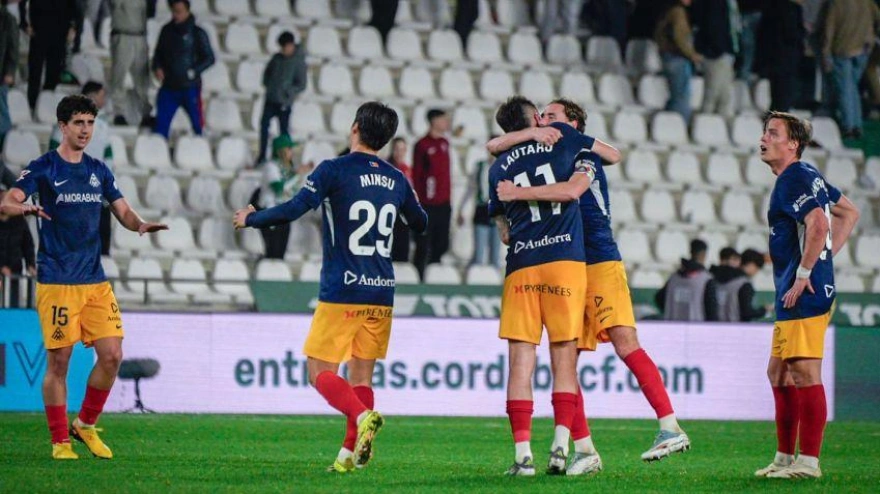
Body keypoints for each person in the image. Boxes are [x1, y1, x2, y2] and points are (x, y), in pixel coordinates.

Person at [491, 98, 689, 472]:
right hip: (570, 265)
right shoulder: (550, 158)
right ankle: (584, 450)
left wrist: (516, 194)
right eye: (542, 117)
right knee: (566, 360)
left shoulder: (584, 157)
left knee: (624, 340)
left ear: (575, 124)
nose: (546, 123)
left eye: (553, 116)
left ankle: (669, 425)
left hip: (599, 261)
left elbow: (577, 185)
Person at [233, 101, 428, 473]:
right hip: (382, 290)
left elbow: (294, 209)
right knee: (361, 375)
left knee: (318, 372)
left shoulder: (333, 170)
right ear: (386, 140)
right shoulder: (397, 178)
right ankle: (347, 457)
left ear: (355, 128)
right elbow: (419, 223)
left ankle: (362, 416)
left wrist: (252, 217)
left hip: (344, 287)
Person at [0, 94, 167, 459]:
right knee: (58, 363)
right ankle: (60, 440)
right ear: (63, 126)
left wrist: (139, 225)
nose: (85, 130)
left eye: (90, 123)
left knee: (113, 356)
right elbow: (5, 201)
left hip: (94, 281)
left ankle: (85, 425)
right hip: (57, 281)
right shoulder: (44, 167)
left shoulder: (98, 170)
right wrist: (23, 207)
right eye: (78, 123)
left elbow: (122, 210)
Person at [487, 96, 600, 476]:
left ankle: (523, 457)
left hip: (522, 265)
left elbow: (503, 232)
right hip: (565, 261)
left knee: (521, 362)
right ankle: (560, 446)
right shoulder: (564, 139)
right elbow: (609, 157)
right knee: (564, 358)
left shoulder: (497, 167)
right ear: (536, 119)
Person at [754, 111, 859, 479]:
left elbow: (819, 223)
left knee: (802, 371)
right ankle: (785, 459)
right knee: (779, 372)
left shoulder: (793, 177)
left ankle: (809, 463)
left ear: (792, 144)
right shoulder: (809, 174)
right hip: (797, 289)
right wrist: (823, 259)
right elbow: (848, 212)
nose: (763, 138)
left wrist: (806, 270)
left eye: (772, 133)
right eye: (765, 132)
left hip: (804, 291)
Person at [48, 82, 113, 256]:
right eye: (101, 95)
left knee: (101, 225)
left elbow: (108, 156)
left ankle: (103, 260)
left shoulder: (102, 126)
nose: (103, 99)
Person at [151, 0, 215, 139]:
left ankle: (200, 150)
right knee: (161, 126)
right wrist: (157, 67)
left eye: (179, 11)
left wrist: (193, 71)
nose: (176, 15)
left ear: (187, 11)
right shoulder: (166, 31)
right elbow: (158, 54)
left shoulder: (198, 33)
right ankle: (159, 151)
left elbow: (209, 58)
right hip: (169, 86)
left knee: (198, 125)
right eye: (174, 11)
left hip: (190, 87)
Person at [821, 0, 880, 139]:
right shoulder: (868, 3)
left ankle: (850, 127)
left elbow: (829, 27)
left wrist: (826, 51)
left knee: (846, 89)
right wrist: (871, 37)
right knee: (852, 88)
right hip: (864, 49)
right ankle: (856, 124)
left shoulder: (836, 3)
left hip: (843, 49)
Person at [255, 134, 312, 259]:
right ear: (280, 151)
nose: (291, 152)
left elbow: (293, 190)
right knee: (272, 250)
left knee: (281, 252)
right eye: (289, 149)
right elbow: (279, 189)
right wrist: (297, 174)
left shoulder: (288, 168)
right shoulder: (271, 166)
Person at [256, 31, 307, 166]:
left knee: (283, 132)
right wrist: (270, 86)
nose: (284, 50)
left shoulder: (298, 62)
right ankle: (262, 155)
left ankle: (286, 161)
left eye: (286, 47)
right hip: (271, 99)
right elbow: (267, 74)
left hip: (284, 101)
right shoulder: (276, 58)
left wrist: (287, 91)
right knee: (264, 127)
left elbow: (301, 84)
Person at [412, 109, 452, 279]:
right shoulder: (422, 145)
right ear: (434, 121)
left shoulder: (444, 142)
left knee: (441, 243)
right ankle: (418, 278)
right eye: (443, 119)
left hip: (444, 203)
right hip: (427, 204)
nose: (446, 123)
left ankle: (434, 276)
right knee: (423, 245)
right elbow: (417, 174)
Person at [19, 0, 81, 111]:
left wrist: (74, 26)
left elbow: (75, 7)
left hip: (60, 30)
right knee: (35, 71)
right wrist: (24, 23)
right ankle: (32, 104)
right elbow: (22, 3)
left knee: (53, 72)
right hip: (39, 30)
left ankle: (46, 103)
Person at [108, 0, 156, 127]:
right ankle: (118, 113)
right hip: (122, 33)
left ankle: (145, 112)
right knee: (119, 76)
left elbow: (151, 12)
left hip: (141, 35)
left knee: (142, 77)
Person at [655, 0, 703, 122]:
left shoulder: (668, 11)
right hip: (677, 58)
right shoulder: (678, 12)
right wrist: (692, 55)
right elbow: (680, 37)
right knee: (681, 97)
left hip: (669, 56)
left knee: (675, 96)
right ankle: (678, 126)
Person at [692, 0, 740, 117]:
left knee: (725, 97)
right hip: (716, 54)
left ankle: (719, 129)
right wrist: (717, 49)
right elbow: (711, 25)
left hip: (727, 53)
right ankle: (703, 125)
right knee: (712, 94)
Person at [757, 0, 806, 112]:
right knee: (784, 99)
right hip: (787, 61)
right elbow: (793, 34)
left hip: (773, 60)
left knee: (776, 98)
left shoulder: (770, 7)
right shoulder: (793, 9)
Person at [457, 144, 500, 268]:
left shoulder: (506, 167)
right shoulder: (480, 167)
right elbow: (470, 189)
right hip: (482, 210)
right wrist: (461, 209)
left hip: (499, 211)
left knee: (495, 256)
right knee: (479, 254)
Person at [656, 239, 720, 322]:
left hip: (672, 329)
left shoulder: (674, 278)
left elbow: (659, 298)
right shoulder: (706, 280)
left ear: (691, 252)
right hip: (697, 330)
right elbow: (711, 312)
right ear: (703, 255)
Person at [0, 188, 37, 308]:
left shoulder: (19, 221)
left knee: (13, 304)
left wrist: (30, 264)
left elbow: (28, 244)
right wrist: (1, 267)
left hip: (15, 272)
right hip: (3, 273)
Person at [715, 248, 773, 322]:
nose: (756, 272)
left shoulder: (718, 277)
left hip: (716, 325)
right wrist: (764, 310)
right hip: (735, 327)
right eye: (757, 268)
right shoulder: (744, 284)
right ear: (751, 264)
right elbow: (747, 313)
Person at [387, 137, 413, 262]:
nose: (399, 153)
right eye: (397, 149)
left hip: (403, 215)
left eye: (402, 149)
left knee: (402, 249)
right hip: (388, 213)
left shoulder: (407, 169)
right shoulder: (385, 168)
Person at [0, 0, 18, 148]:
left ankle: (6, 144)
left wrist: (10, 71)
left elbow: (13, 47)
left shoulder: (8, 19)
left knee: (2, 110)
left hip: (1, 74)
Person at [736, 0, 762, 81]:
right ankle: (746, 73)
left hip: (747, 12)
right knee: (748, 46)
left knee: (748, 46)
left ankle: (746, 73)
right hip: (750, 12)